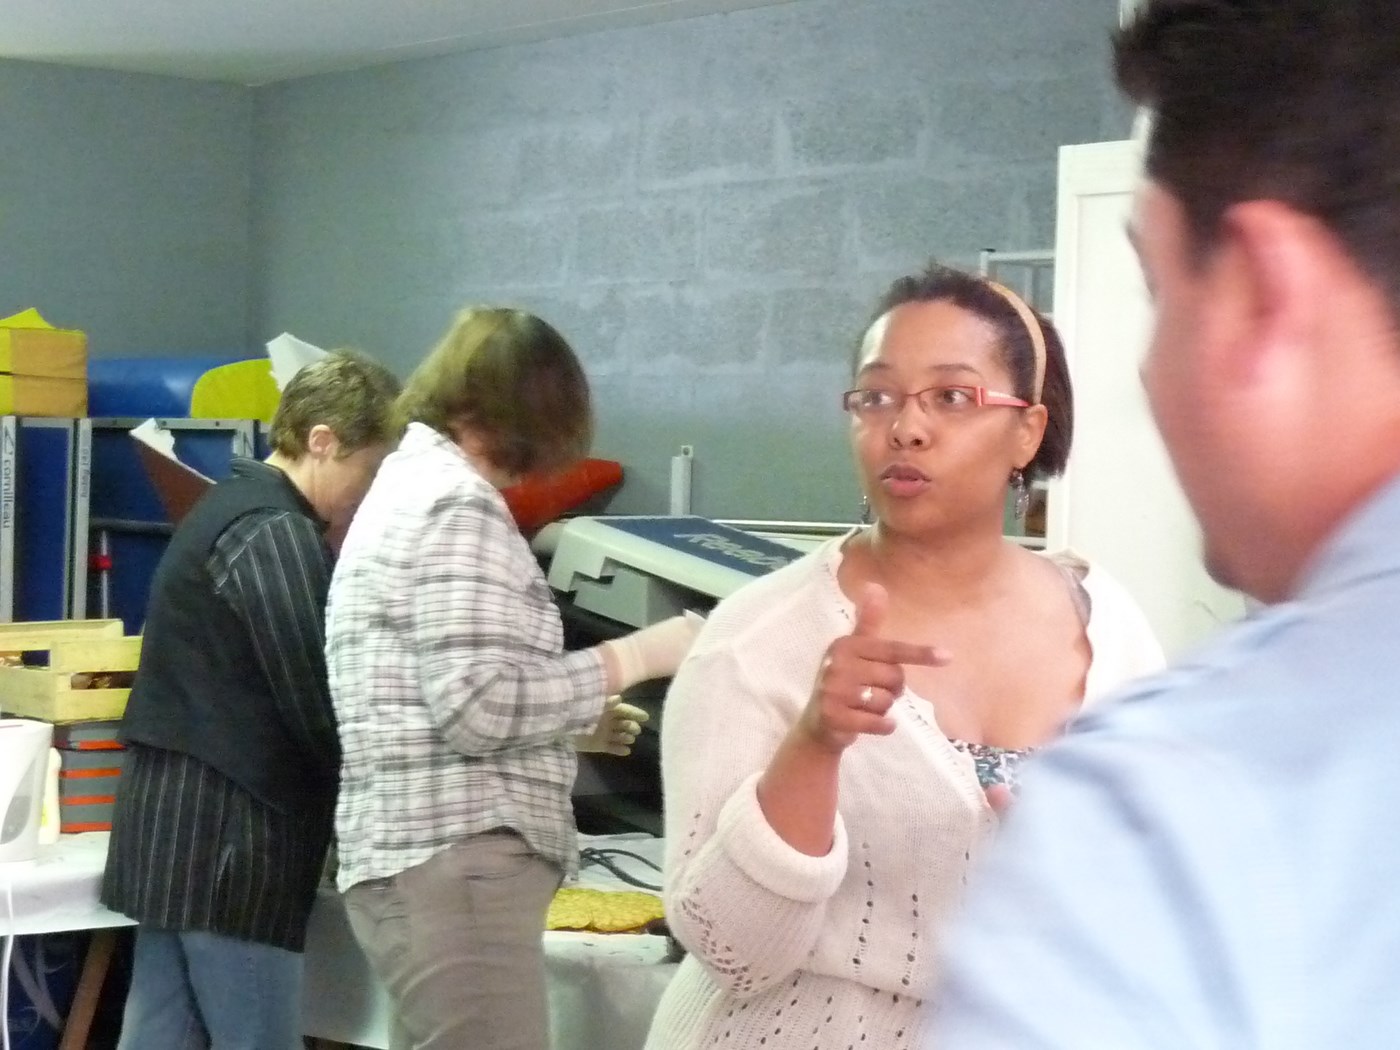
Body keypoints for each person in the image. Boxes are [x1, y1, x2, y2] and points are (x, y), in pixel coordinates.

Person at [929, 3, 1400, 1047]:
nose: (909, 431)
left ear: (1263, 296)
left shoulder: (1168, 815)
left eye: (1157, 289)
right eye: (877, 395)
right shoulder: (775, 630)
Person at [641, 264, 1164, 1050]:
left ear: (1028, 429)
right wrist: (815, 745)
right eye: (877, 396)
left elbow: (1163, 895)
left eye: (951, 396)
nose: (906, 428)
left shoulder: (1112, 628)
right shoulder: (757, 639)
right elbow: (730, 950)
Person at [326, 306, 700, 1050]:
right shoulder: (456, 506)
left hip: (417, 859)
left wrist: (571, 720)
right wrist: (642, 655)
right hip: (457, 867)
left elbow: (443, 688)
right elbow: (479, 706)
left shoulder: (405, 490)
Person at [101, 350, 402, 1050]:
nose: (368, 494)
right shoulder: (274, 530)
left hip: (172, 831)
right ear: (322, 440)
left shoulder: (226, 506)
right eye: (369, 470)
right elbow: (319, 701)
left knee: (158, 1035)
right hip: (233, 846)